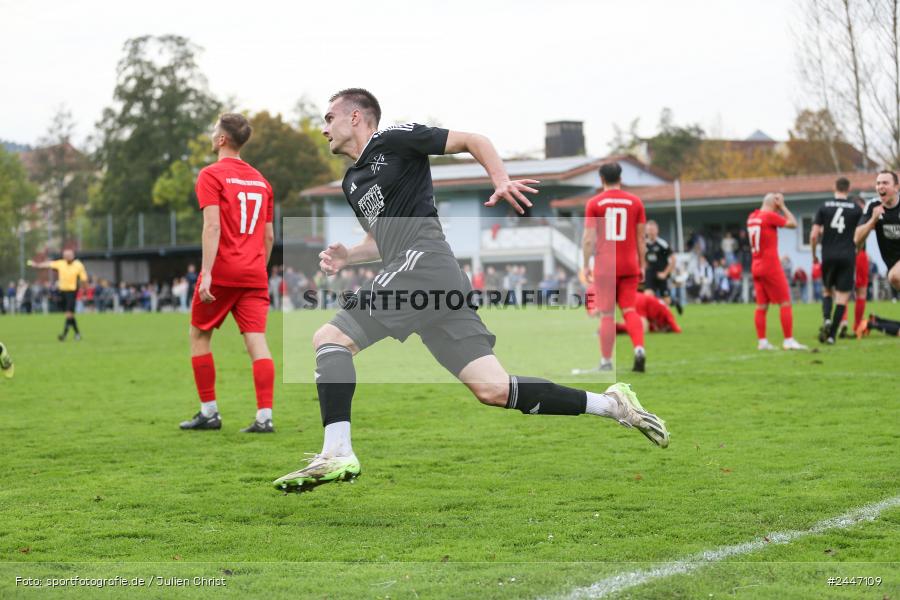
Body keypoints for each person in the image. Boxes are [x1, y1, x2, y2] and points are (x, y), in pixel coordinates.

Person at [273, 89, 668, 492]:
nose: (324, 129)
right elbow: (380, 241)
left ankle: (337, 451)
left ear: (356, 117)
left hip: (424, 264)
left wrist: (501, 179)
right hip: (427, 276)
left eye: (328, 118)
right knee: (492, 389)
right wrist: (349, 256)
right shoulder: (352, 181)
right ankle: (612, 405)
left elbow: (473, 140)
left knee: (330, 339)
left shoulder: (393, 138)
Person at [179, 113, 277, 434]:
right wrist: (257, 272)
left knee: (199, 335)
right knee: (257, 342)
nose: (211, 135)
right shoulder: (262, 181)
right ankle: (265, 416)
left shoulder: (211, 175)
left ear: (222, 139)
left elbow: (212, 225)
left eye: (213, 131)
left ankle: (209, 412)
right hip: (254, 273)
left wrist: (206, 273)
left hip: (222, 271)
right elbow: (269, 237)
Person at [582, 162, 648, 372]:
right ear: (621, 178)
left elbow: (588, 239)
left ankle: (606, 361)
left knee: (607, 314)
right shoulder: (635, 202)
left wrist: (585, 265)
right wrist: (643, 264)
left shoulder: (594, 203)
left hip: (605, 265)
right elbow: (641, 238)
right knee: (630, 310)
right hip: (630, 263)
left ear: (601, 179)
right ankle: (639, 348)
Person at [746, 193, 807, 350]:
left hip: (756, 265)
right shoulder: (769, 216)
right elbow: (793, 224)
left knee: (761, 306)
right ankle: (788, 340)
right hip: (770, 266)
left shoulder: (752, 217)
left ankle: (762, 342)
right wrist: (783, 207)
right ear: (774, 204)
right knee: (785, 302)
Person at [809, 177, 863, 344]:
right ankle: (832, 336)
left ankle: (826, 318)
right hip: (847, 255)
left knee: (827, 291)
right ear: (848, 189)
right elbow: (861, 235)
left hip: (828, 255)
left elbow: (813, 235)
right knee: (842, 297)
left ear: (835, 187)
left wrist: (814, 255)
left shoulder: (824, 207)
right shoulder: (855, 209)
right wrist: (857, 250)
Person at [27, 249, 88, 341]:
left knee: (69, 314)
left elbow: (84, 279)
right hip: (62, 292)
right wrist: (36, 265)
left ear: (73, 256)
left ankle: (64, 335)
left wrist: (84, 290)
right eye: (65, 255)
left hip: (72, 291)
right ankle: (77, 334)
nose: (66, 257)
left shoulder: (78, 265)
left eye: (68, 255)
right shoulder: (61, 263)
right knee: (69, 315)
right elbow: (48, 264)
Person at [854, 170, 900, 293]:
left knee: (895, 276)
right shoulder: (873, 206)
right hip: (892, 263)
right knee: (894, 278)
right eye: (878, 183)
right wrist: (873, 220)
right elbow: (857, 238)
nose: (880, 186)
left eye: (885, 183)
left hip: (896, 270)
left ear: (896, 187)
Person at [644, 220, 680, 313]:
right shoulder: (644, 244)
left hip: (661, 274)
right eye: (649, 229)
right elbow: (642, 259)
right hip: (650, 274)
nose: (651, 232)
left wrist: (665, 273)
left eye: (653, 229)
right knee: (648, 297)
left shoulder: (663, 244)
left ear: (657, 230)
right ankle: (651, 319)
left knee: (666, 301)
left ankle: (673, 301)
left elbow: (673, 260)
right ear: (646, 231)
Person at [615, 291, 681, 334]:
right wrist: (677, 329)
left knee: (629, 321)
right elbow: (675, 326)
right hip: (641, 302)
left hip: (636, 297)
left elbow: (651, 326)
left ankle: (616, 328)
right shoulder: (667, 312)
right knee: (640, 329)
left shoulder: (661, 307)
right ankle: (615, 327)